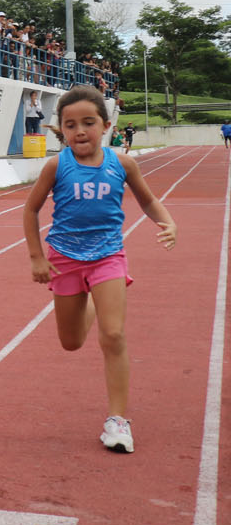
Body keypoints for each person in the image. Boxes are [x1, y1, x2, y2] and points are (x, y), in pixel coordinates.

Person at [22, 85, 177, 453]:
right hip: (65, 260)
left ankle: (118, 421)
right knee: (71, 342)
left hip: (108, 255)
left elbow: (149, 200)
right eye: (70, 124)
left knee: (114, 335)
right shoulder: (55, 166)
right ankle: (89, 302)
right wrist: (36, 258)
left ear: (105, 126)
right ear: (61, 130)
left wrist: (167, 221)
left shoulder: (122, 164)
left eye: (88, 123)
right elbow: (30, 211)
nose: (80, 131)